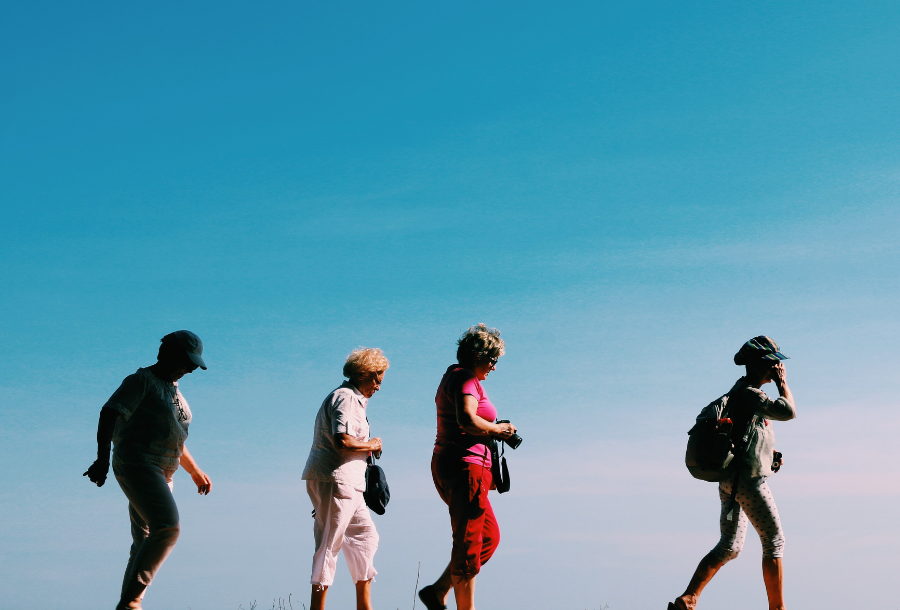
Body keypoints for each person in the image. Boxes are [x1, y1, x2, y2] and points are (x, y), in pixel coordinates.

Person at [83, 330, 213, 610]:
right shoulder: (141, 381)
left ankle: (131, 603)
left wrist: (193, 470)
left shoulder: (175, 390)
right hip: (137, 463)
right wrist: (102, 459)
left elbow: (174, 435)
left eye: (194, 364)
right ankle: (130, 601)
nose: (191, 369)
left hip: (165, 471)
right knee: (168, 526)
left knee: (143, 540)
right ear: (167, 355)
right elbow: (110, 412)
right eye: (187, 361)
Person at [668, 336, 797, 610]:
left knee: (730, 545)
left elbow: (748, 437)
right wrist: (782, 383)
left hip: (731, 481)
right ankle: (778, 608)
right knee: (774, 541)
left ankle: (689, 598)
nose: (777, 366)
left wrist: (770, 457)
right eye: (773, 362)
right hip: (748, 482)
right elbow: (787, 411)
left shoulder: (742, 394)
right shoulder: (750, 393)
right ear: (762, 364)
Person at [418, 324, 518, 610]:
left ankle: (437, 592)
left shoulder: (454, 375)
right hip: (465, 467)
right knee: (469, 541)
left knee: (487, 537)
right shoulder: (465, 379)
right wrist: (498, 431)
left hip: (461, 466)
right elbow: (467, 420)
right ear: (478, 356)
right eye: (493, 360)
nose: (494, 367)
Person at [301, 347, 389, 610]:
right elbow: (343, 441)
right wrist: (372, 444)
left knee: (366, 536)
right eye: (376, 379)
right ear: (363, 373)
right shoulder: (347, 398)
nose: (377, 386)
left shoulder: (349, 398)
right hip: (337, 480)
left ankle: (364, 606)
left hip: (348, 482)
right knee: (329, 543)